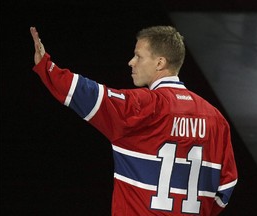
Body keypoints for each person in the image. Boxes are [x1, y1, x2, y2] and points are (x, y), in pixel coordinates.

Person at [30, 25, 238, 215]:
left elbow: (88, 94)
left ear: (160, 62)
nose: (131, 62)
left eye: (138, 56)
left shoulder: (141, 107)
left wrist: (46, 67)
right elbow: (226, 186)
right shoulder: (215, 119)